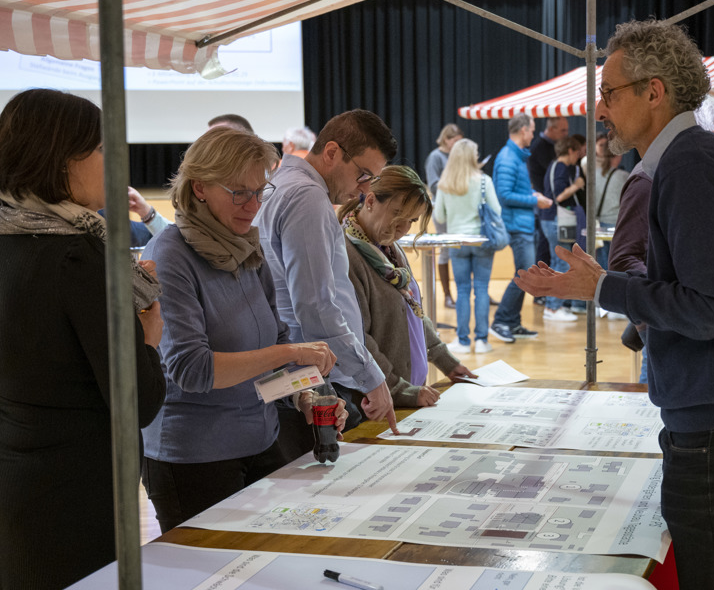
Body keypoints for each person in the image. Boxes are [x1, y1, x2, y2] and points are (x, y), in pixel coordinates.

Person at [516, 20, 714, 588]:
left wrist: (600, 287)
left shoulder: (688, 166)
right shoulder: (695, 159)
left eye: (609, 93)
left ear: (654, 91)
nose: (599, 111)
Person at [0, 88, 167, 589]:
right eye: (101, 149)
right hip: (73, 496)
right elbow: (139, 401)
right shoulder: (76, 255)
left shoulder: (3, 234)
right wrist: (149, 337)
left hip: (13, 481)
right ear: (61, 158)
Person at [141, 127, 341, 533]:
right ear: (199, 187)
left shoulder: (249, 247)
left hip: (261, 443)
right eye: (239, 193)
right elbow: (193, 371)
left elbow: (276, 340)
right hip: (194, 459)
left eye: (259, 192)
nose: (252, 206)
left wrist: (305, 394)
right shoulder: (169, 256)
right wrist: (293, 356)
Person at [253, 109, 400, 446]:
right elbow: (315, 308)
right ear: (332, 152)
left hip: (298, 372)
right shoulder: (308, 197)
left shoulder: (282, 182)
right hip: (308, 375)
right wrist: (371, 378)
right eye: (363, 175)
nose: (363, 190)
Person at [608, 94, 714, 384]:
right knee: (656, 410)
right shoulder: (648, 179)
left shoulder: (683, 176)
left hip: (685, 323)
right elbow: (622, 258)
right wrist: (659, 306)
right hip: (666, 326)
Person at [340, 165, 474, 406]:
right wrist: (400, 390)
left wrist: (447, 362)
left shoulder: (390, 247)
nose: (404, 229)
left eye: (411, 220)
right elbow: (359, 340)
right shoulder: (347, 256)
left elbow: (415, 312)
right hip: (382, 401)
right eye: (398, 216)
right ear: (370, 201)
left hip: (410, 394)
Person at [490, 113, 554, 343]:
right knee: (524, 273)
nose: (533, 134)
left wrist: (531, 194)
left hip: (523, 224)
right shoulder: (508, 158)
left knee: (524, 272)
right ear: (522, 130)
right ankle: (500, 321)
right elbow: (504, 195)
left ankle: (512, 323)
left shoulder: (516, 157)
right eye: (532, 130)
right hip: (517, 226)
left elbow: (514, 192)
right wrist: (534, 200)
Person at [435, 139, 501, 353]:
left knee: (462, 291)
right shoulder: (484, 181)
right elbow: (497, 211)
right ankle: (481, 340)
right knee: (481, 289)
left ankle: (462, 340)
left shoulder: (445, 184)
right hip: (481, 240)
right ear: (473, 156)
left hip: (457, 241)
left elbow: (439, 216)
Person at [540, 135, 586, 322]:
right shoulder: (560, 167)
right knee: (560, 263)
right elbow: (559, 196)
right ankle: (552, 308)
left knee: (558, 261)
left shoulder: (556, 166)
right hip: (555, 220)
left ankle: (556, 305)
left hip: (551, 220)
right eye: (577, 153)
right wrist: (576, 185)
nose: (578, 157)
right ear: (570, 151)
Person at [424, 123, 464, 310]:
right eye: (455, 141)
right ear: (446, 140)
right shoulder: (435, 157)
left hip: (460, 210)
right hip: (443, 210)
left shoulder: (458, 157)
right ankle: (447, 295)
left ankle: (469, 291)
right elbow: (433, 185)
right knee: (446, 251)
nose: (457, 145)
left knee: (463, 250)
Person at [529, 116, 570, 276]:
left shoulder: (548, 146)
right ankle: (542, 291)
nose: (567, 134)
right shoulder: (541, 148)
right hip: (546, 207)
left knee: (549, 250)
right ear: (551, 129)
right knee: (546, 249)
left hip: (549, 206)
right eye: (563, 130)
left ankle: (544, 292)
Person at [592, 132, 627, 276]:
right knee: (614, 267)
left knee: (600, 267)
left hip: (598, 225)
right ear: (617, 155)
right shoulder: (624, 176)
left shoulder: (593, 174)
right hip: (616, 225)